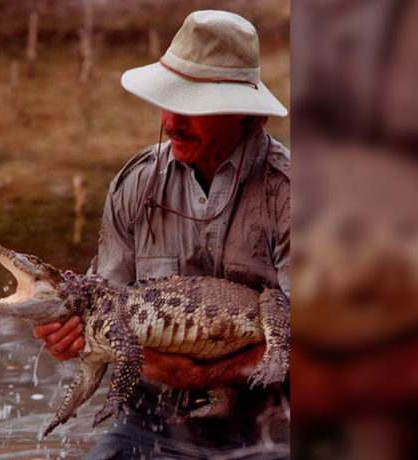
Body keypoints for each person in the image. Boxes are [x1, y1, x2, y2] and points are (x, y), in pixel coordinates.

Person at [34, 10, 290, 459]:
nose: (171, 121)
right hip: (151, 420)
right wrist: (70, 334)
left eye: (191, 106)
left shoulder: (291, 195)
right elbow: (103, 304)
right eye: (167, 102)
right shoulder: (135, 184)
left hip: (270, 425)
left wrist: (202, 376)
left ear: (243, 112)